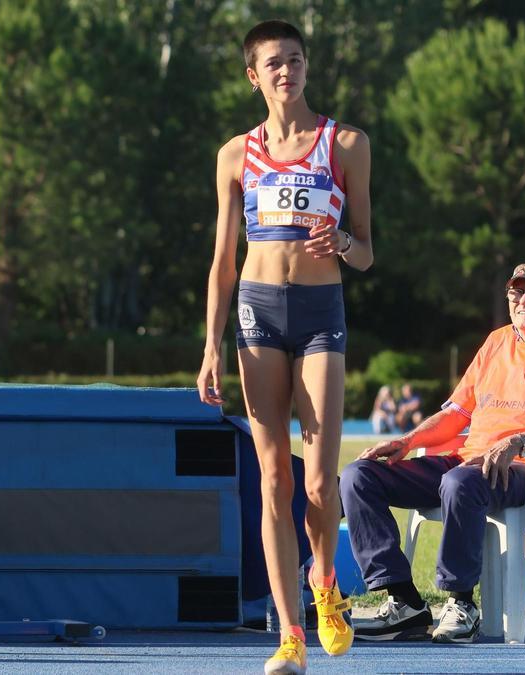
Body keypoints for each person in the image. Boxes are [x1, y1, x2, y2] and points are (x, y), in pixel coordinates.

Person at [195, 19, 373, 674]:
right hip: (256, 310)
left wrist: (346, 245)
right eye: (273, 63)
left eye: (294, 60)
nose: (285, 71)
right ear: (253, 75)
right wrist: (211, 347)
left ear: (306, 67)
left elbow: (367, 248)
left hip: (320, 311)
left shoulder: (347, 143)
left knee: (320, 480)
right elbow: (221, 260)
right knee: (274, 477)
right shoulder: (234, 155)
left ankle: (325, 583)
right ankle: (290, 632)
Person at [340, 258, 525, 644]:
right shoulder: (496, 341)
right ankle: (404, 602)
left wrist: (520, 441)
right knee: (358, 476)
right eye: (518, 291)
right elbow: (455, 413)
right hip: (469, 463)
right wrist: (408, 441)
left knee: (460, 482)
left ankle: (461, 602)